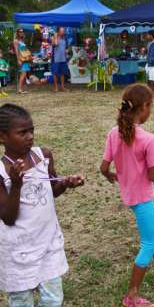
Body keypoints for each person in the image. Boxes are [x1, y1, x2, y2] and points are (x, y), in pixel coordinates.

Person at [100, 84, 154, 307]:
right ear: (144, 107)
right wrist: (152, 166)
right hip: (142, 198)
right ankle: (131, 296)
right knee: (149, 243)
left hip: (131, 195)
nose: (151, 111)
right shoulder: (148, 139)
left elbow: (103, 167)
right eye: (151, 107)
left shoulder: (114, 132)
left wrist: (112, 175)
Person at [0, 103, 85, 307]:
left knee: (53, 299)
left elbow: (52, 189)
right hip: (18, 251)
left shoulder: (43, 156)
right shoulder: (2, 172)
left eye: (31, 131)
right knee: (22, 301)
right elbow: (8, 218)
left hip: (48, 244)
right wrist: (17, 185)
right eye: (22, 132)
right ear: (2, 136)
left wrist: (65, 183)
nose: (29, 137)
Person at [51, 27, 69, 92]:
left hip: (63, 58)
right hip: (56, 58)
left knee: (62, 73)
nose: (63, 32)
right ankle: (56, 87)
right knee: (55, 73)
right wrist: (55, 36)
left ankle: (63, 87)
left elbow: (66, 48)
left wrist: (66, 51)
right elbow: (56, 44)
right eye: (61, 31)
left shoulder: (65, 39)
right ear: (58, 32)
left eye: (63, 31)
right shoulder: (54, 38)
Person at [14, 28, 31, 94]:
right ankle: (20, 90)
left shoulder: (22, 40)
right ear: (17, 33)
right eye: (20, 32)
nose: (21, 33)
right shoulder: (16, 41)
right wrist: (18, 60)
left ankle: (22, 89)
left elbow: (25, 50)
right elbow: (16, 51)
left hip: (25, 59)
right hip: (21, 59)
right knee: (23, 74)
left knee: (24, 74)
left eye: (22, 31)